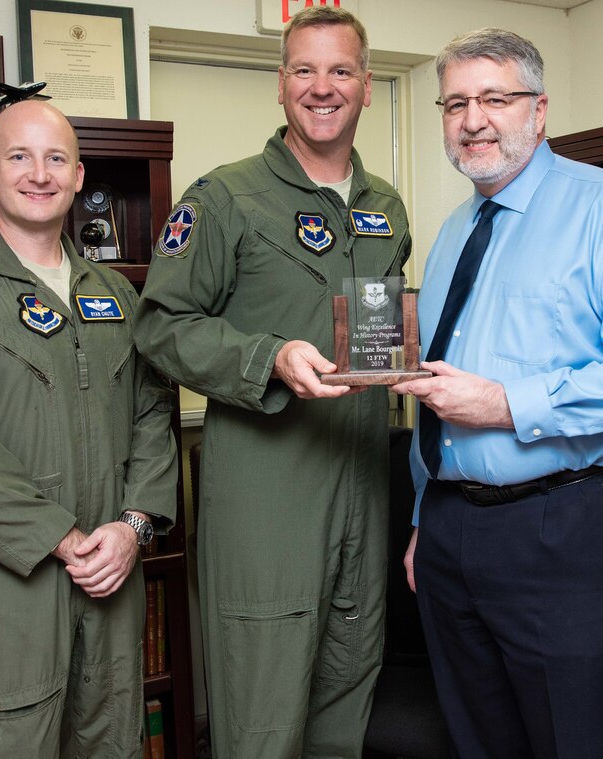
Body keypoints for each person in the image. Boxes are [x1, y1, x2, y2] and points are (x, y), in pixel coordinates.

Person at [391, 28, 603, 757]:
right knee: (477, 738)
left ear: (540, 109)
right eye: (456, 102)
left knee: (576, 739)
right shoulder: (453, 232)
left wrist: (510, 403)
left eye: (496, 98)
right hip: (448, 530)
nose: (473, 119)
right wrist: (421, 518)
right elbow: (436, 387)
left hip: (563, 523)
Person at [133, 7, 411, 758]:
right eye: (304, 70)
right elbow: (160, 326)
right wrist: (268, 357)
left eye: (340, 70)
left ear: (368, 86)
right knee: (261, 717)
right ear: (280, 84)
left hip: (363, 484)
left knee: (347, 696)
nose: (323, 88)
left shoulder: (386, 207)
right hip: (267, 498)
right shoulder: (224, 198)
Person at [0, 100, 178, 758]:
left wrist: (134, 525)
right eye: (19, 156)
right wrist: (63, 538)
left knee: (114, 737)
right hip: (8, 595)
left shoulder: (118, 294)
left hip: (113, 576)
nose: (39, 173)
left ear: (80, 176)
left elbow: (154, 413)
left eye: (56, 158)